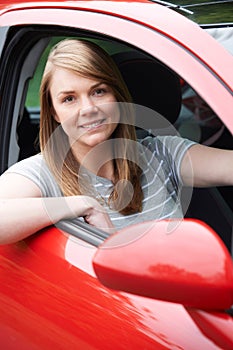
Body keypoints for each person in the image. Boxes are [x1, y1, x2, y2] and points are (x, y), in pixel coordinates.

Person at [0, 39, 232, 245]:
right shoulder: (44, 172)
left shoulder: (161, 153)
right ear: (54, 113)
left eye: (99, 91)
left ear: (118, 97)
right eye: (69, 99)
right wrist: (79, 205)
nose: (89, 109)